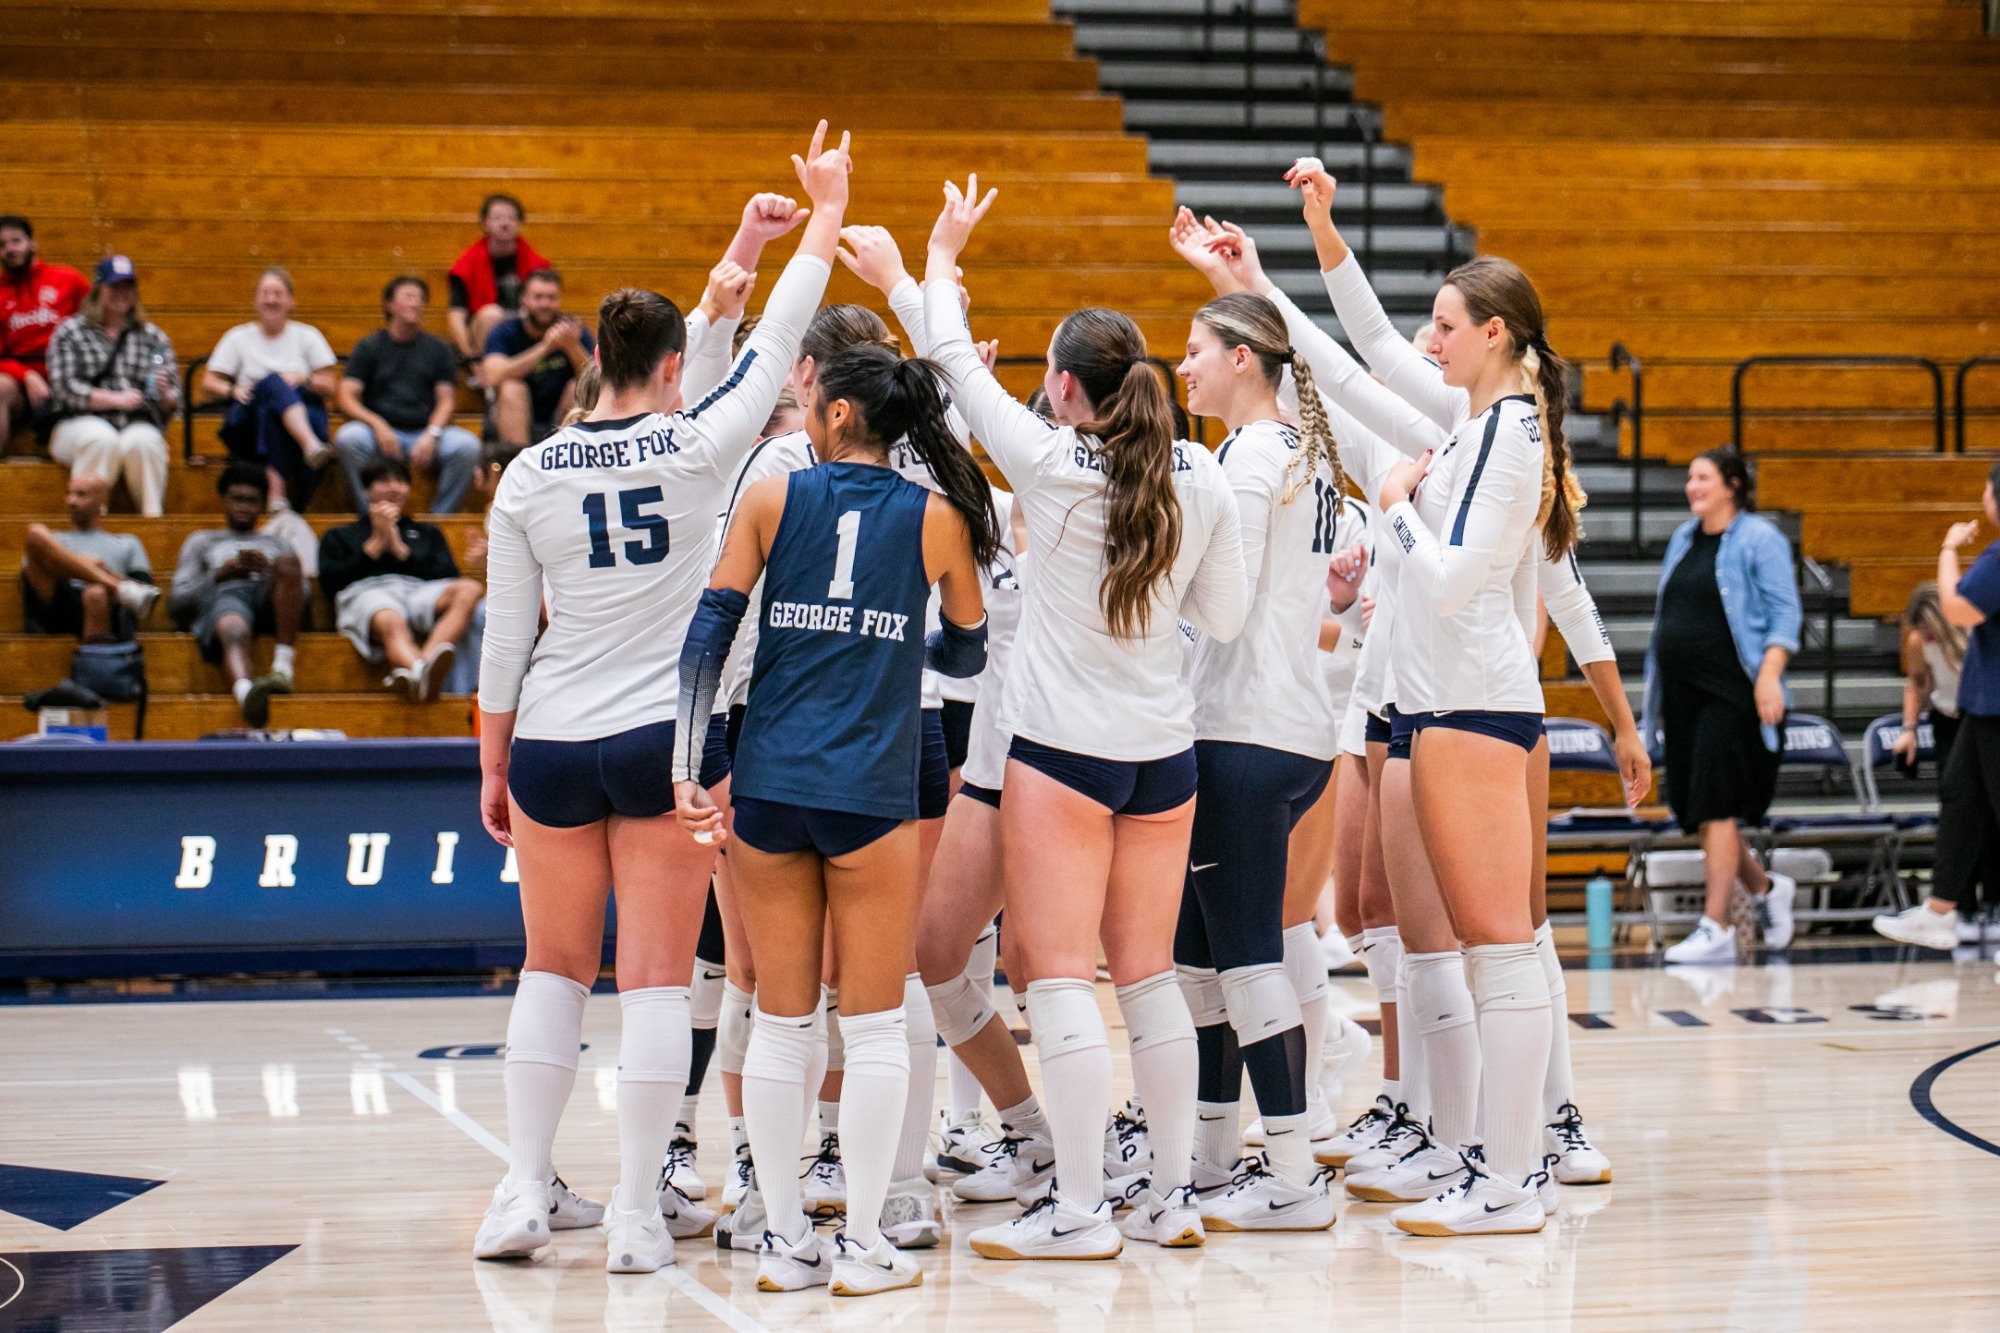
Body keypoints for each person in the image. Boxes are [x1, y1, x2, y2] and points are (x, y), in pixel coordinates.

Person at [471, 122, 846, 1279]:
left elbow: (503, 639)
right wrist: (820, 219)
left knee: (549, 969)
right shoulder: (695, 446)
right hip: (665, 744)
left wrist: (491, 764)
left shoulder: (526, 472)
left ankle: (522, 1188)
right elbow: (774, 340)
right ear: (675, 365)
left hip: (549, 738)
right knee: (652, 982)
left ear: (594, 356)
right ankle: (637, 1211)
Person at [922, 177, 1250, 1261]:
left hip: (1062, 756)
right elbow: (1225, 617)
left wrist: (940, 255)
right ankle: (1169, 1197)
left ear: (1063, 386)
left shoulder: (1048, 462)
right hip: (1164, 755)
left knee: (1057, 976)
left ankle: (1075, 1208)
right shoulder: (1200, 473)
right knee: (1148, 979)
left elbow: (954, 362)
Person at [676, 341, 995, 1297]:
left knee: (781, 1022)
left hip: (771, 782)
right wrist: (902, 646)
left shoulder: (771, 497)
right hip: (872, 788)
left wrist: (689, 766)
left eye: (813, 402)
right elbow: (970, 653)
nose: (806, 415)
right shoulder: (940, 516)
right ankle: (862, 1241)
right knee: (874, 1022)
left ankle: (782, 1239)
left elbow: (707, 638)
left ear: (840, 412)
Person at [1168, 290, 1343, 1231]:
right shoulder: (1303, 456)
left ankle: (1294, 1175)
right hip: (1290, 726)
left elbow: (1223, 609)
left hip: (1245, 730)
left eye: (1195, 349)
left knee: (1244, 962)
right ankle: (1210, 1158)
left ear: (1242, 357)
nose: (1183, 366)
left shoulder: (1245, 457)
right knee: (1198, 959)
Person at [1646, 447, 1802, 965]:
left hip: (1732, 694)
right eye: (1690, 477)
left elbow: (1785, 614)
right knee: (1701, 811)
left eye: (1703, 477)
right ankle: (1765, 889)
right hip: (1683, 698)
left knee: (1715, 804)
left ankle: (1715, 927)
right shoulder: (1683, 538)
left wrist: (1770, 676)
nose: (1692, 486)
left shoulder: (1760, 538)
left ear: (1732, 485)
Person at [1876, 478, 2000, 949]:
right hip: (1982, 704)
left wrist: (1949, 549)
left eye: (1987, 488)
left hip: (1996, 705)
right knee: (1960, 797)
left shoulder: (1996, 557)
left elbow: (1957, 607)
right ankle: (1939, 912)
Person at [318, 457, 482, 701]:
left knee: (470, 589)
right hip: (366, 592)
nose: (394, 487)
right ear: (366, 491)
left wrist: (400, 550)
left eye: (400, 481)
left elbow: (447, 574)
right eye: (384, 481)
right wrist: (375, 545)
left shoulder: (428, 533)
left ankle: (422, 666)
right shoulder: (339, 535)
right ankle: (422, 670)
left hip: (418, 591)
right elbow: (331, 582)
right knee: (390, 619)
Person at [167, 463, 304, 727]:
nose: (244, 506)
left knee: (287, 563)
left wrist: (270, 571)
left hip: (269, 601)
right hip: (225, 599)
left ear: (263, 504)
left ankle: (282, 668)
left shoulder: (278, 543)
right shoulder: (202, 541)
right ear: (224, 501)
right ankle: (246, 695)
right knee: (232, 625)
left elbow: (303, 598)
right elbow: (177, 602)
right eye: (237, 499)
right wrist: (220, 575)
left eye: (252, 501)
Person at [333, 276, 482, 515]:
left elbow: (446, 400)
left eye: (420, 299)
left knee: (467, 446)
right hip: (379, 432)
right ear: (389, 304)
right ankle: (371, 515)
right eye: (409, 297)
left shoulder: (438, 349)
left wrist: (432, 434)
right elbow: (346, 396)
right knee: (348, 438)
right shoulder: (369, 346)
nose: (416, 303)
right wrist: (377, 425)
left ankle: (439, 521)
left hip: (425, 432)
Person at [43, 256, 176, 516]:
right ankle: (88, 520)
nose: (122, 293)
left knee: (146, 442)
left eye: (128, 286)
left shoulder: (153, 337)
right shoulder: (70, 332)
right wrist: (115, 399)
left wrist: (165, 394)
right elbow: (63, 387)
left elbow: (171, 403)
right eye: (115, 286)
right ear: (98, 290)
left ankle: (152, 520)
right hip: (75, 423)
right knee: (101, 438)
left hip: (134, 423)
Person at [202, 267, 338, 509]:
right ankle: (309, 445)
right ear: (255, 300)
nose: (271, 300)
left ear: (291, 300)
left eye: (278, 294)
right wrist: (233, 391)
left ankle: (277, 496)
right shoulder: (238, 337)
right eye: (265, 293)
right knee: (272, 383)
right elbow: (208, 382)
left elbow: (330, 385)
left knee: (273, 407)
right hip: (248, 417)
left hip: (303, 408)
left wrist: (304, 379)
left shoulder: (308, 336)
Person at [21, 474, 158, 639]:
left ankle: (96, 653)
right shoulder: (54, 540)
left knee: (95, 593)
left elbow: (143, 594)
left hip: (108, 606)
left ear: (102, 500)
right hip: (59, 602)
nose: (72, 501)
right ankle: (116, 586)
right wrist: (85, 564)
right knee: (35, 533)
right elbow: (32, 576)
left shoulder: (127, 543)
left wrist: (105, 572)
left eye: (81, 494)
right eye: (69, 493)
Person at [0, 215, 89, 445]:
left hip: (70, 377)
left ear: (32, 243)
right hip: (21, 387)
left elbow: (98, 326)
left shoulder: (69, 280)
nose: (10, 249)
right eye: (2, 245)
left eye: (16, 241)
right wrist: (27, 376)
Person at [482, 269, 592, 448]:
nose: (545, 304)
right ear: (523, 299)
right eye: (538, 297)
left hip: (560, 415)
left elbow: (597, 381)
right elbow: (492, 376)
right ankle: (520, 460)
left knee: (578, 387)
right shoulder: (505, 331)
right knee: (512, 388)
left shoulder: (573, 333)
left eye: (551, 298)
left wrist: (572, 347)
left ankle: (566, 457)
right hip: (512, 414)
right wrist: (545, 347)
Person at [449, 194, 549, 365]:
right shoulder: (466, 265)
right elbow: (456, 316)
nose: (504, 223)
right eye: (497, 218)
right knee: (492, 314)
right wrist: (470, 357)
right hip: (482, 332)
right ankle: (486, 373)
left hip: (523, 329)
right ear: (484, 224)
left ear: (520, 224)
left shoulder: (537, 265)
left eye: (511, 218)